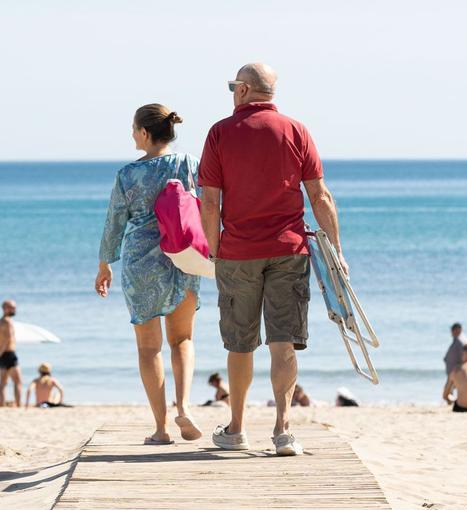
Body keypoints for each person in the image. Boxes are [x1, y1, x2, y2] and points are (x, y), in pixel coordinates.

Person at [200, 62, 344, 457]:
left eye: (233, 86)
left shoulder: (219, 133)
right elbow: (320, 196)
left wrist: (214, 249)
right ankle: (282, 430)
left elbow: (210, 202)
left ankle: (236, 428)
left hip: (238, 253)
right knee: (283, 343)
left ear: (244, 89)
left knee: (240, 344)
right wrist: (337, 250)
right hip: (288, 250)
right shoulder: (296, 131)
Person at [96, 103, 203, 445]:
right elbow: (211, 204)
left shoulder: (128, 175)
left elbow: (114, 223)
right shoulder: (189, 164)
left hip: (141, 263)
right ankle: (184, 406)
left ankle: (161, 428)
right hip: (184, 257)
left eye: (133, 129)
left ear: (144, 132)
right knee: (182, 340)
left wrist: (104, 264)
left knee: (148, 348)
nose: (131, 134)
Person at [0, 300, 22, 408]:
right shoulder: (8, 321)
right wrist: (1, 351)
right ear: (5, 308)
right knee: (18, 381)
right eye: (12, 308)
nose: (14, 310)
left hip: (2, 355)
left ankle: (2, 404)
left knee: (2, 383)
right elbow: (8, 338)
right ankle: (18, 405)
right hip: (9, 353)